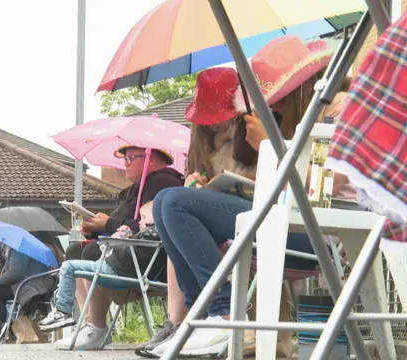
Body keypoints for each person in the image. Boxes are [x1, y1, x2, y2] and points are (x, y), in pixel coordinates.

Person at [149, 35, 353, 358]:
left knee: (174, 203)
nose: (274, 107)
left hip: (318, 234)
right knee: (164, 203)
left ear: (299, 87)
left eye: (278, 98)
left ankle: (225, 314)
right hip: (291, 224)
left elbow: (316, 192)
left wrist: (266, 148)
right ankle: (204, 316)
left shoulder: (338, 110)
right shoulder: (304, 123)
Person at [60, 146, 183, 348]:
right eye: (124, 158)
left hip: (150, 258)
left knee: (91, 251)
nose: (124, 163)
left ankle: (97, 326)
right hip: (124, 250)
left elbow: (148, 226)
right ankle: (89, 323)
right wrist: (96, 228)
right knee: (75, 249)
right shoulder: (132, 189)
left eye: (130, 158)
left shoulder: (164, 183)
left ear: (152, 159)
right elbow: (120, 226)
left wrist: (107, 224)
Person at [37, 201, 159, 333]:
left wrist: (117, 242)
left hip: (117, 272)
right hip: (118, 269)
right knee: (73, 263)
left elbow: (129, 256)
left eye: (144, 218)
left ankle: (62, 311)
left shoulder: (149, 236)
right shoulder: (148, 236)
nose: (139, 222)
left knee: (68, 267)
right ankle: (65, 311)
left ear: (157, 217)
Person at [0, 244, 54, 343]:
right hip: (35, 285)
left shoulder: (21, 248)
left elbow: (14, 275)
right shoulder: (33, 245)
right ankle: (2, 326)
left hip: (28, 288)